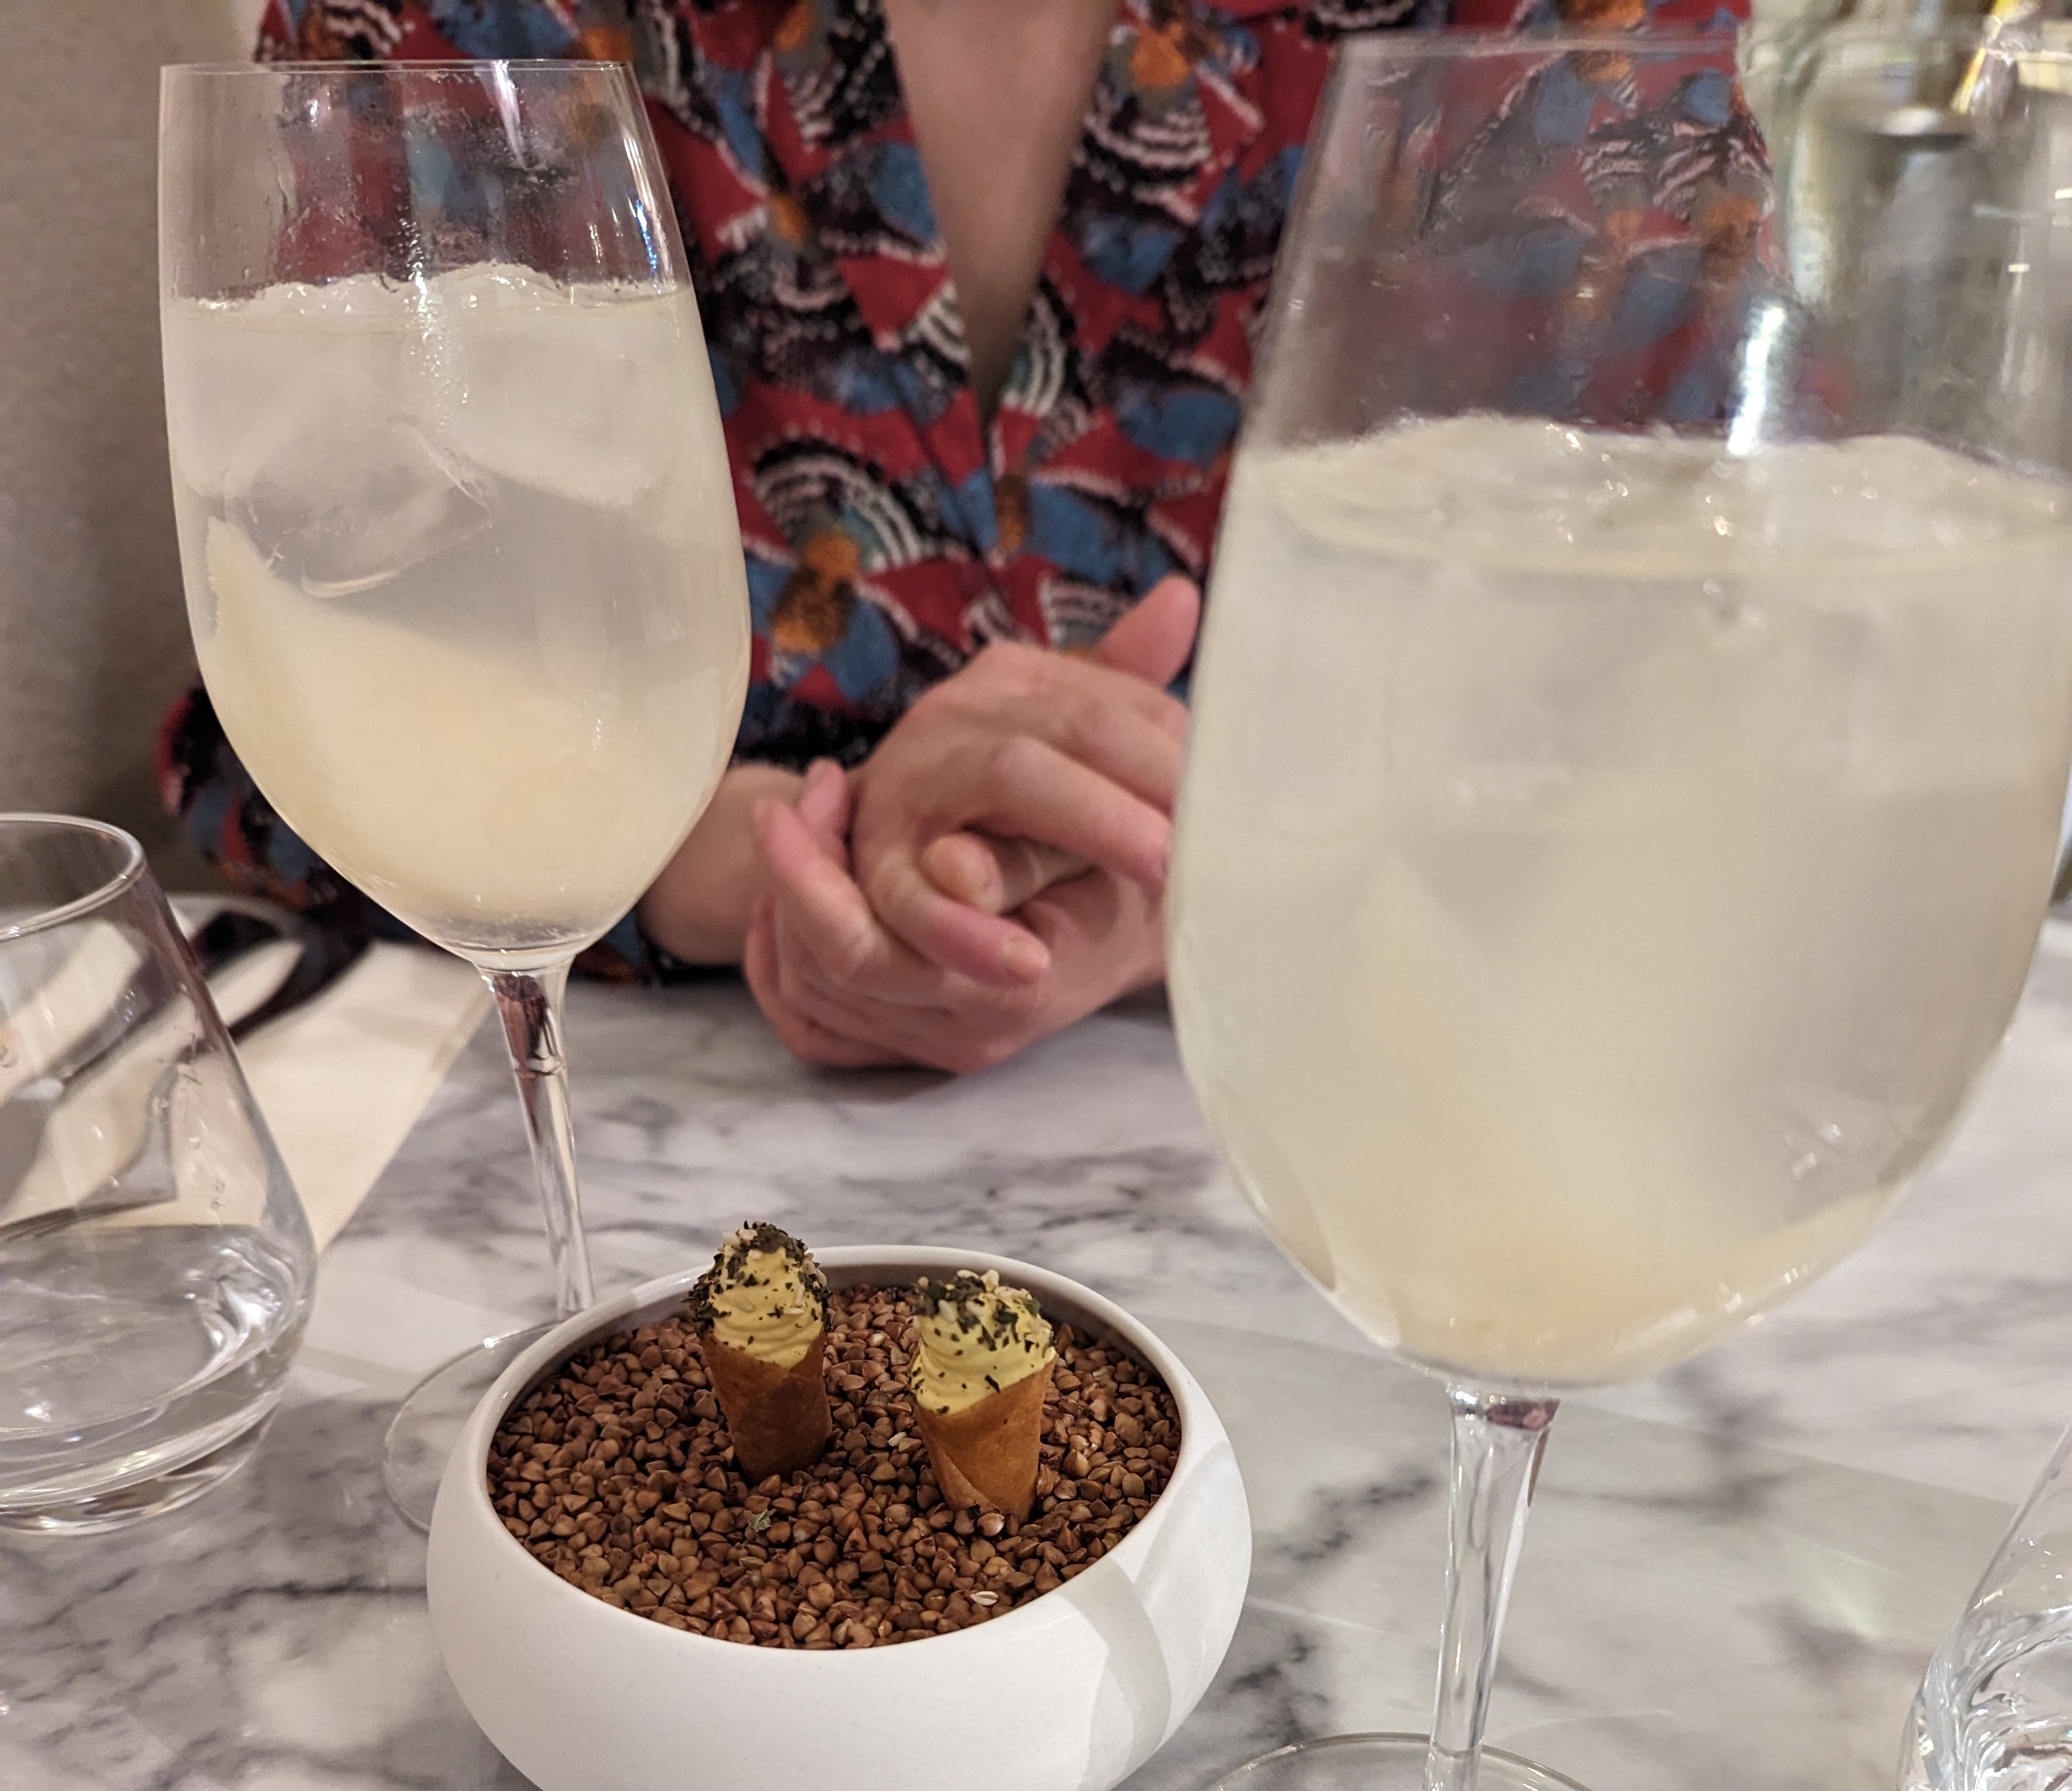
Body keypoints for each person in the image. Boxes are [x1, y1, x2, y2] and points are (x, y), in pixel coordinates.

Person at [163, 0, 1748, 1072]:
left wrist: (1201, 884)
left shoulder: (1583, 39)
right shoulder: (452, 28)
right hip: (629, 1104)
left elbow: (1732, 718)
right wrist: (771, 865)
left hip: (1401, 1086)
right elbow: (304, 689)